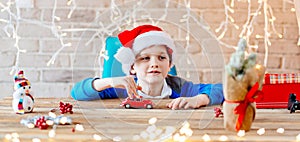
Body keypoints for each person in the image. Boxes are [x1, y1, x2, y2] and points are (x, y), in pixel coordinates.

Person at [71, 25, 224, 109]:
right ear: (132, 68)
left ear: (169, 65)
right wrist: (108, 81)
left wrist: (199, 99)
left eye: (161, 58)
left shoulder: (179, 87)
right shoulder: (122, 88)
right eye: (145, 58)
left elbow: (221, 90)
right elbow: (77, 92)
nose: (154, 63)